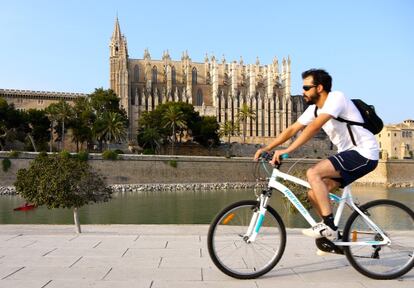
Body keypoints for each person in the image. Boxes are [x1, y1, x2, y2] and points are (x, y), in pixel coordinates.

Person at [254, 69, 379, 240]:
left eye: (306, 87)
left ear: (319, 88)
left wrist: (287, 150)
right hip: (348, 155)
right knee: (314, 194)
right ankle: (331, 236)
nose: (302, 92)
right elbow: (292, 129)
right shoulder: (313, 110)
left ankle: (329, 227)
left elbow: (313, 128)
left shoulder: (336, 98)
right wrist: (267, 148)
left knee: (313, 173)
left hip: (364, 153)